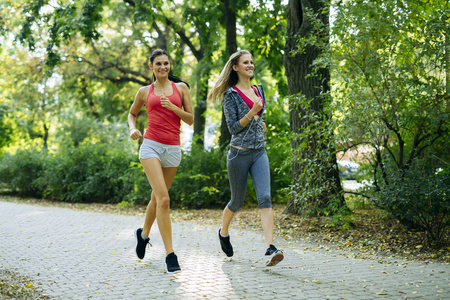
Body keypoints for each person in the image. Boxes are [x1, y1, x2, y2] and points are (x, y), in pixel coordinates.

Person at [207, 50, 284, 266]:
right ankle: (223, 233)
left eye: (251, 62)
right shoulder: (230, 95)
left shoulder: (259, 90)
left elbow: (259, 117)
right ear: (235, 67)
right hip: (238, 155)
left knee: (265, 198)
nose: (250, 65)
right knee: (237, 201)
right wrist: (252, 113)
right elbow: (233, 128)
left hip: (259, 152)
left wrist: (260, 122)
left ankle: (270, 247)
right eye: (245, 62)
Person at [128, 49, 194, 273]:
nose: (163, 67)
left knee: (157, 199)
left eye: (166, 63)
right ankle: (170, 255)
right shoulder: (144, 91)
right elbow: (132, 114)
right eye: (158, 64)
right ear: (151, 67)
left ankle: (143, 235)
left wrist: (174, 107)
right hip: (151, 147)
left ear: (170, 65)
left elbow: (191, 119)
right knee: (164, 199)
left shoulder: (181, 88)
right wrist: (133, 129)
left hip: (173, 148)